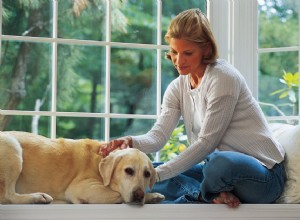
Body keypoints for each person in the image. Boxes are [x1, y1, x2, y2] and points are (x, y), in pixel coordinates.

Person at [101, 8, 286, 208]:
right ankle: (210, 194)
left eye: (187, 53)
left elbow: (206, 143)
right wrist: (131, 142)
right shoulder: (177, 87)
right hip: (215, 175)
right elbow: (158, 137)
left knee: (213, 164)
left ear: (206, 49)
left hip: (264, 176)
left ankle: (200, 194)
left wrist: (157, 176)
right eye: (173, 52)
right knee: (144, 171)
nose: (178, 61)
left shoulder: (223, 78)